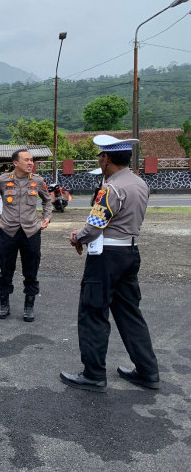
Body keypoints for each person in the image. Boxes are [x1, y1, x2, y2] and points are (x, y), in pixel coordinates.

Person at [60, 135, 159, 393]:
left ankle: (93, 374)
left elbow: (95, 226)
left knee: (93, 312)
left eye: (100, 156)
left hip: (106, 258)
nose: (99, 160)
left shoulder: (111, 188)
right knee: (130, 314)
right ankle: (148, 372)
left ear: (107, 159)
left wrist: (77, 237)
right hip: (129, 253)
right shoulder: (140, 183)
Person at [0, 149, 52, 321]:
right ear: (16, 163)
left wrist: (46, 218)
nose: (31, 163)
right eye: (27, 160)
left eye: (32, 160)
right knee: (6, 269)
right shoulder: (2, 180)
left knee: (31, 271)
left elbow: (47, 200)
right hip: (8, 231)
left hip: (31, 232)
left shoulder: (37, 181)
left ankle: (29, 307)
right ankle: (4, 304)